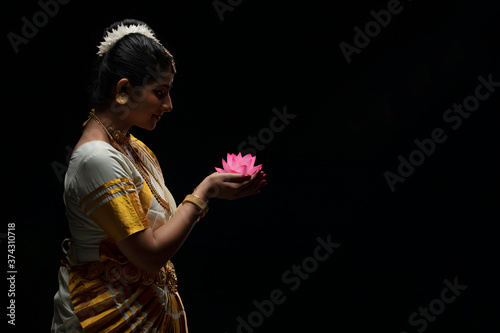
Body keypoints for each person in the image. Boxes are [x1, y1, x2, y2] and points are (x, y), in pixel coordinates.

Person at [51, 19, 267, 333]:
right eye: (160, 92)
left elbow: (161, 233)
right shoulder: (96, 158)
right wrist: (204, 193)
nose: (168, 105)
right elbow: (149, 256)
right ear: (124, 90)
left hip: (144, 309)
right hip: (108, 315)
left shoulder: (135, 149)